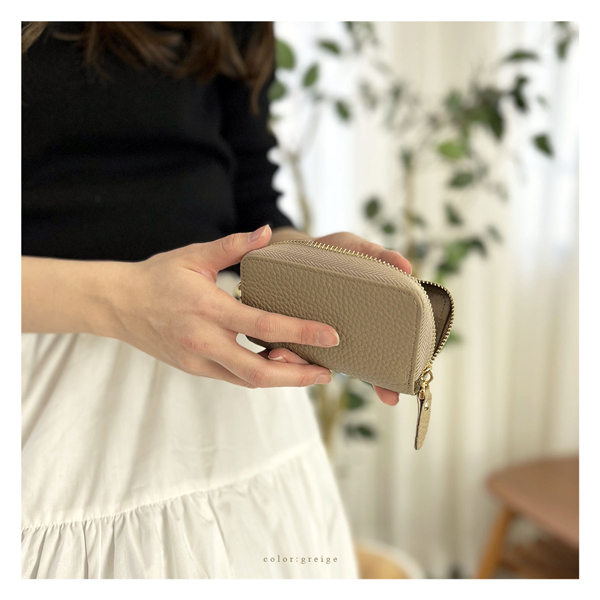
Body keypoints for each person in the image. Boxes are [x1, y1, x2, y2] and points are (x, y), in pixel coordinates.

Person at [21, 22, 412, 579]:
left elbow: (250, 192)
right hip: (43, 401)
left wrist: (311, 267)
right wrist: (122, 301)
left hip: (227, 385)